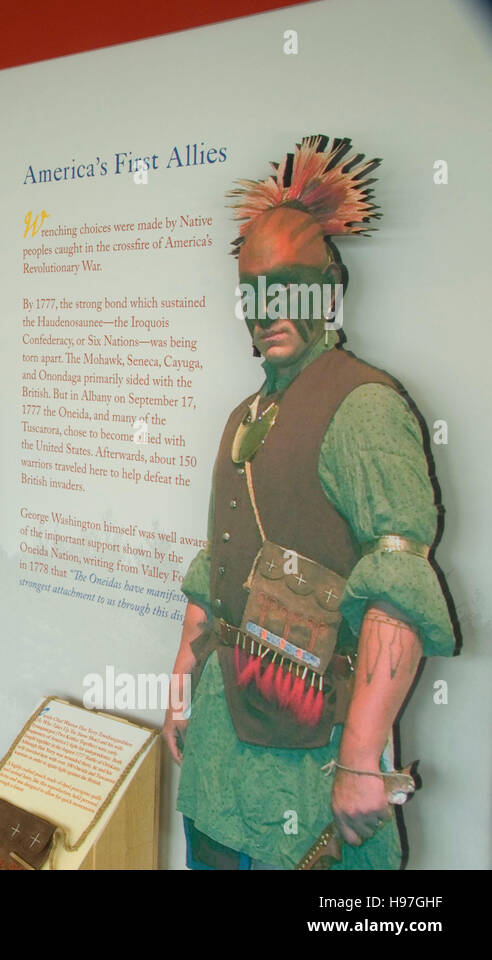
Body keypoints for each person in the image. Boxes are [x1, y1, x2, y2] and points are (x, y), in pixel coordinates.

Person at [161, 136, 457, 869]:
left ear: (326, 292)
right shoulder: (244, 417)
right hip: (223, 740)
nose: (270, 312)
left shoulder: (365, 408)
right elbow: (219, 564)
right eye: (256, 294)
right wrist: (179, 682)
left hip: (313, 752)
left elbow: (397, 586)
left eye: (289, 288)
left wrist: (361, 758)